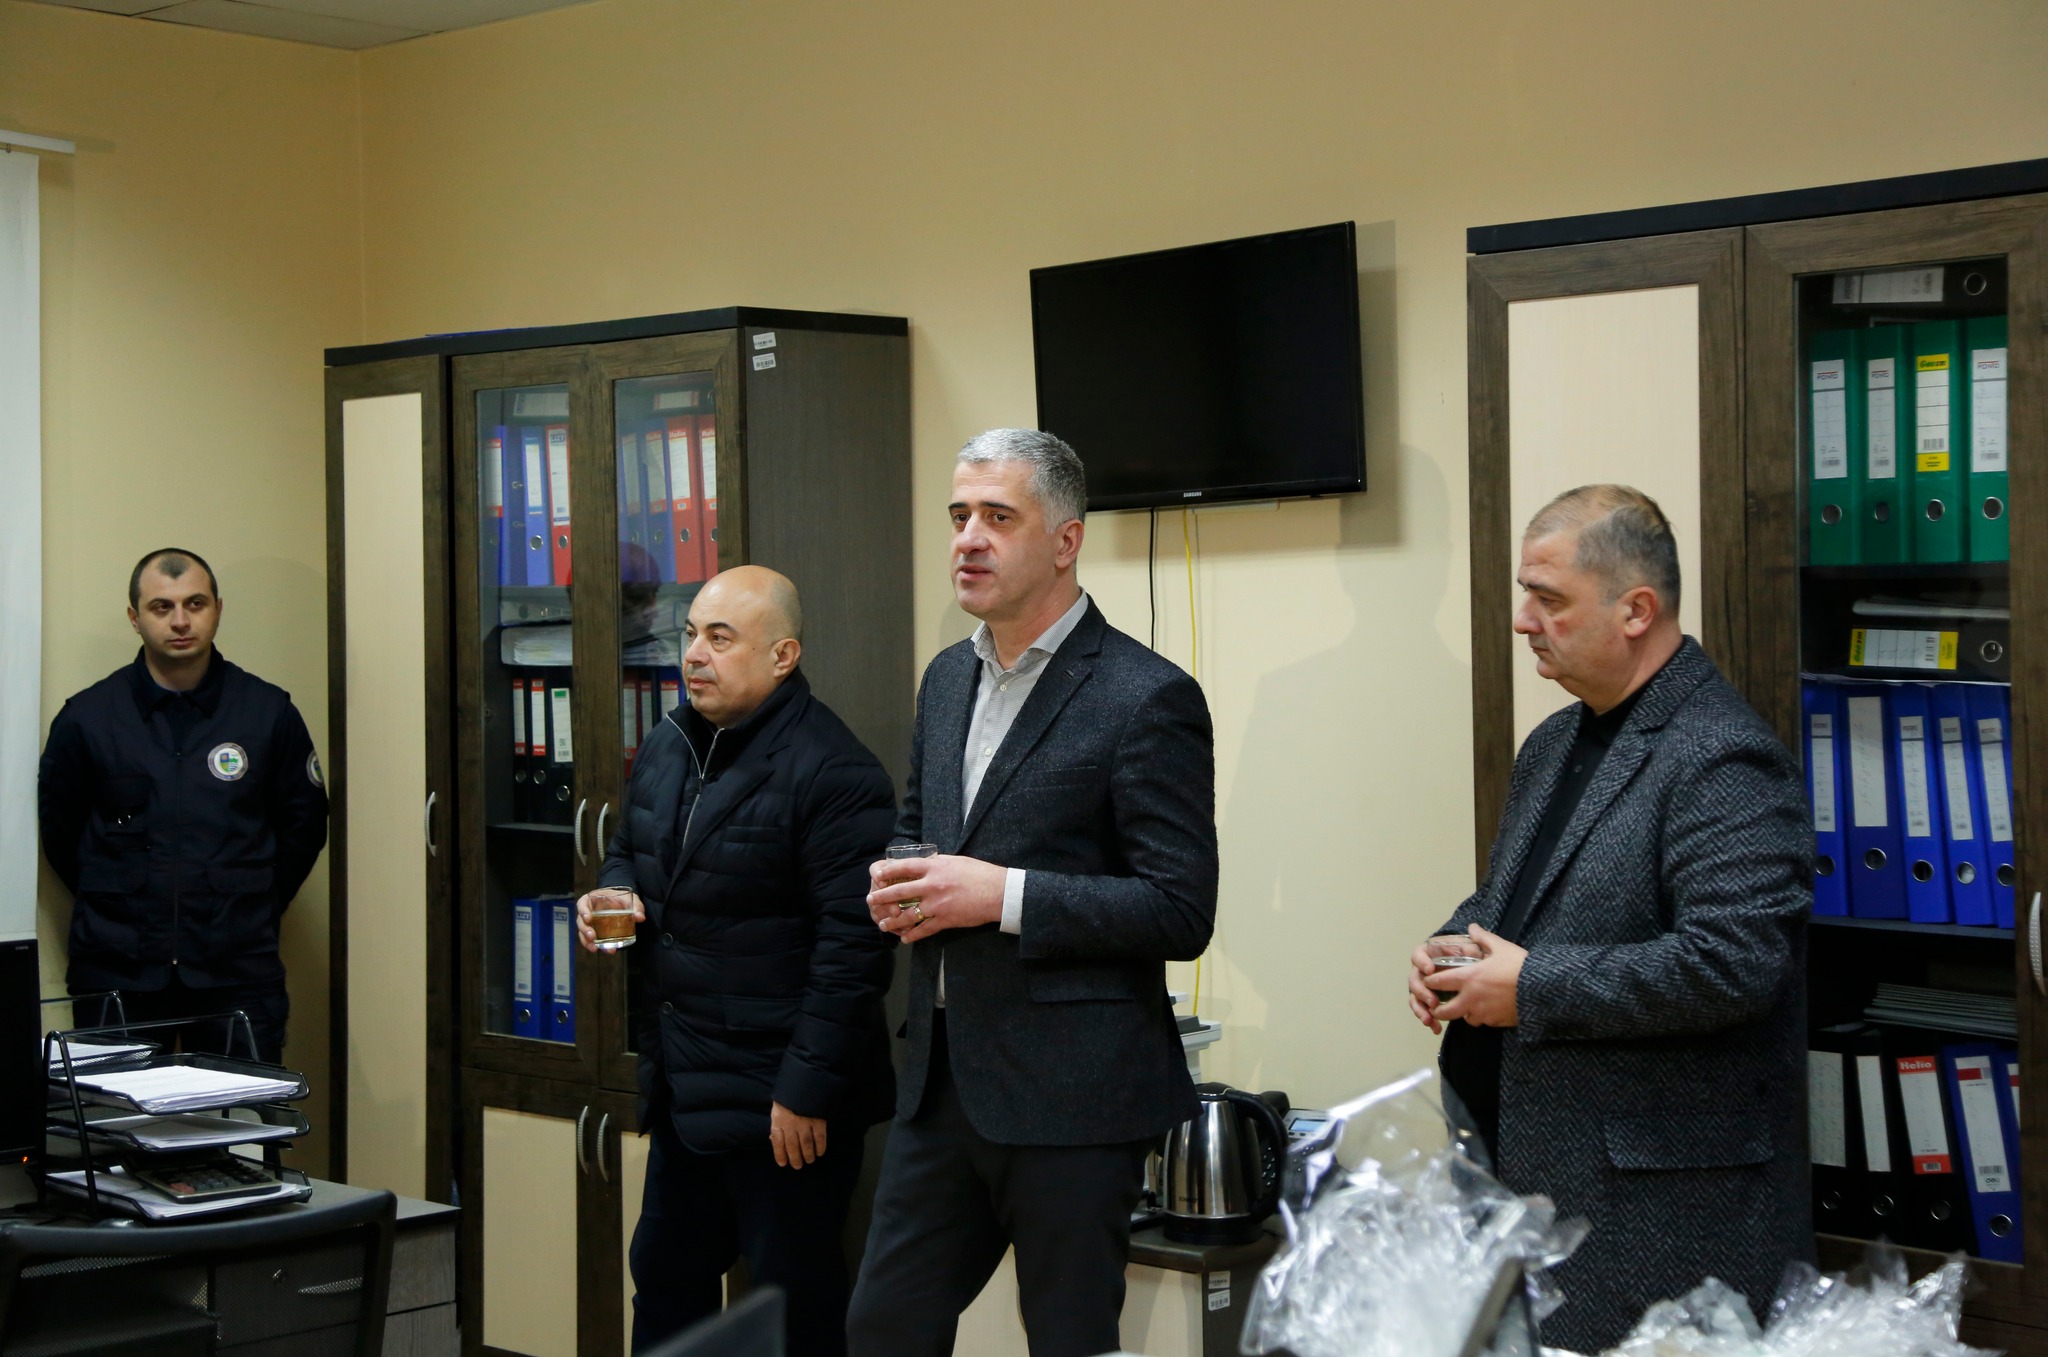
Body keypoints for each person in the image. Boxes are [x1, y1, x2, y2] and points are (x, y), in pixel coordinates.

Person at [1408, 485, 1810, 1352]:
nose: (1524, 621)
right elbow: (1521, 902)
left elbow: (1735, 962)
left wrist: (1531, 987)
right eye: (1526, 594)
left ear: (1636, 610)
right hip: (1520, 1178)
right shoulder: (1555, 741)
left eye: (1548, 599)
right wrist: (1455, 942)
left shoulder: (1722, 754)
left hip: (1649, 1217)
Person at [846, 429, 1219, 1357]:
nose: (968, 538)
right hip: (942, 1084)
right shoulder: (947, 677)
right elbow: (919, 827)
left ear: (1065, 540)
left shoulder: (1146, 695)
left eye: (997, 517)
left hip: (1074, 1098)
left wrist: (1001, 895)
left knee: (1068, 1341)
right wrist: (900, 880)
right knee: (882, 1328)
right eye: (958, 516)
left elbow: (1179, 907)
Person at [576, 564, 897, 1357]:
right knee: (664, 1283)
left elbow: (853, 950)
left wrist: (804, 1090)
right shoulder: (670, 739)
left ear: (782, 656)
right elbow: (628, 848)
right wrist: (614, 892)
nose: (694, 654)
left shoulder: (836, 771)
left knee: (792, 1312)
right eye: (691, 634)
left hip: (784, 1107)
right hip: (686, 1084)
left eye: (720, 638)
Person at [39, 548, 328, 1064]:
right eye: (161, 607)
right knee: (118, 1115)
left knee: (240, 1113)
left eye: (195, 603)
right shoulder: (87, 718)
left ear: (218, 609)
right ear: (135, 618)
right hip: (118, 971)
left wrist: (250, 903)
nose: (180, 621)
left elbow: (303, 827)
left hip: (236, 970)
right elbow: (61, 835)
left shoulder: (267, 712)